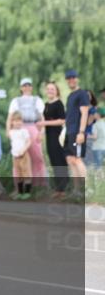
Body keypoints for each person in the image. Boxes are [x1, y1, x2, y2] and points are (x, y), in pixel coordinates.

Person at [7, 78, 46, 187]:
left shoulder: (37, 100)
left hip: (33, 127)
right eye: (24, 85)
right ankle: (19, 186)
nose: (27, 87)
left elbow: (42, 117)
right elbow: (9, 117)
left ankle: (39, 184)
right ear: (21, 88)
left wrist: (42, 132)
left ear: (32, 87)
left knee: (37, 157)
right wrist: (8, 131)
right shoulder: (15, 101)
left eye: (29, 85)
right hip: (18, 129)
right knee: (18, 157)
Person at [38, 80, 68, 199]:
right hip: (49, 136)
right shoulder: (46, 105)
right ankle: (58, 188)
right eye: (48, 89)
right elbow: (43, 122)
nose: (50, 91)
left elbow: (62, 120)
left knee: (60, 160)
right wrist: (40, 133)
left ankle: (64, 188)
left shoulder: (59, 103)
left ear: (56, 91)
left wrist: (45, 122)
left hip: (57, 135)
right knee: (53, 161)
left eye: (52, 89)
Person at [63, 69, 90, 198]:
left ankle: (89, 189)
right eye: (68, 78)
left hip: (77, 132)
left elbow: (84, 113)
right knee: (70, 160)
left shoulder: (82, 94)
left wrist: (81, 132)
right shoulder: (70, 96)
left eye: (73, 77)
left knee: (78, 160)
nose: (71, 80)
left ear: (77, 78)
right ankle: (77, 191)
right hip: (69, 132)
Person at [7, 112, 32, 200]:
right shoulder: (11, 132)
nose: (18, 122)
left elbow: (29, 142)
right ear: (12, 122)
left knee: (26, 174)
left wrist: (23, 150)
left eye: (20, 120)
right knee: (19, 174)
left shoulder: (24, 131)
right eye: (15, 121)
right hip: (15, 156)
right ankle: (20, 192)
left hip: (23, 155)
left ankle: (27, 192)